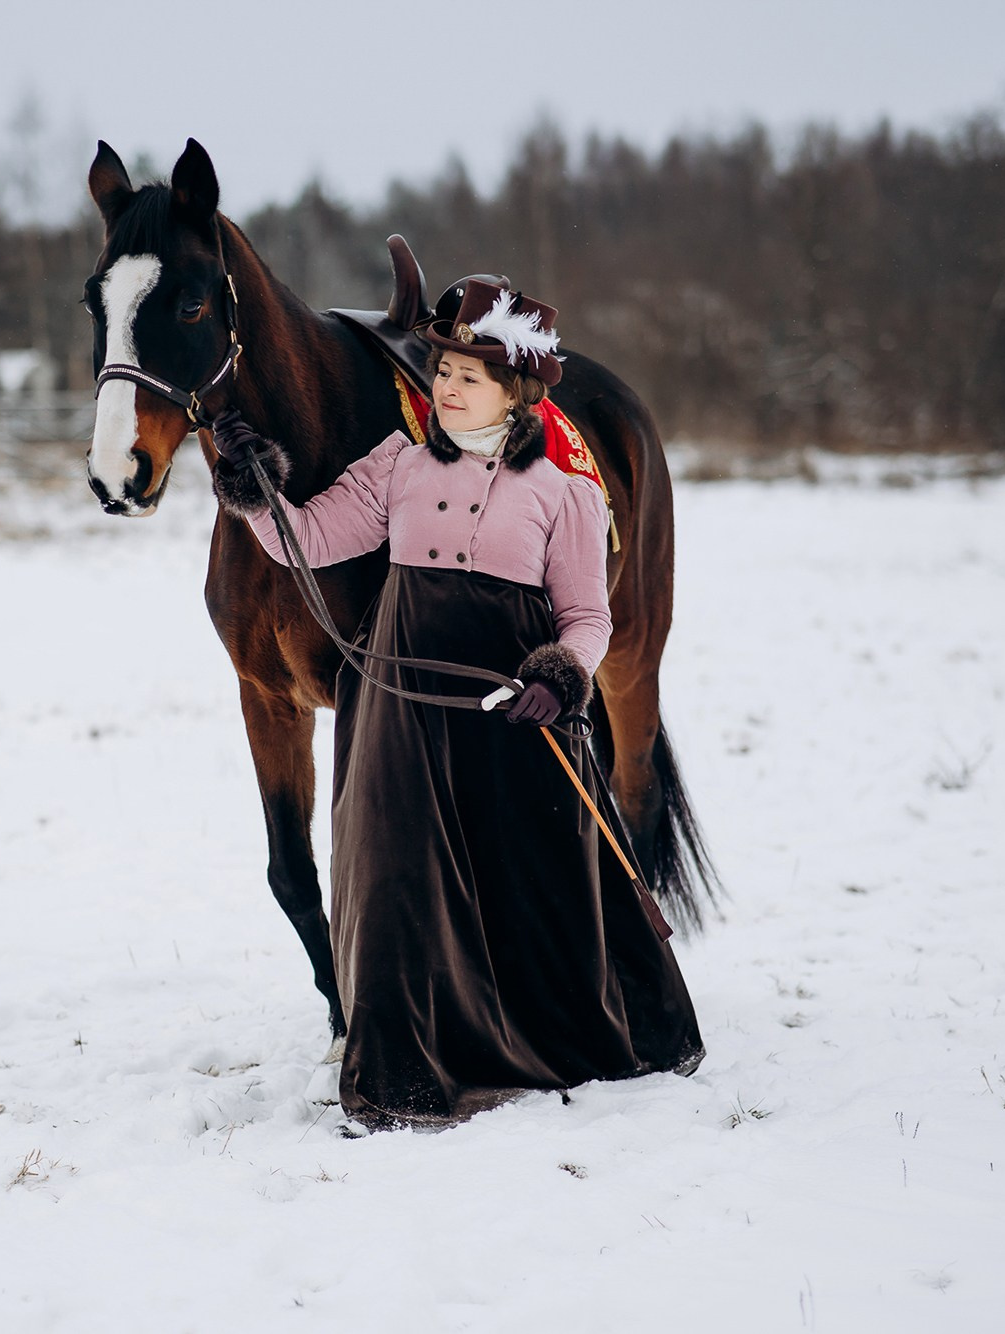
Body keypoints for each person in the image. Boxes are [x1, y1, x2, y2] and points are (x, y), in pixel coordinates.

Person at [208, 280, 704, 1131]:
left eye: (469, 377)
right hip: (400, 706)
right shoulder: (398, 462)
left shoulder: (566, 492)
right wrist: (260, 496)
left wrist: (560, 674)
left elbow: (589, 617)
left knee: (521, 882)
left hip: (512, 707)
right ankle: (403, 1064)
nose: (446, 388)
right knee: (401, 882)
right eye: (442, 371)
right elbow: (314, 539)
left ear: (516, 392)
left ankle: (536, 1040)